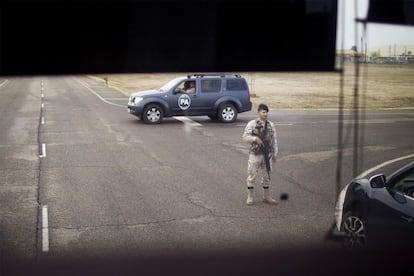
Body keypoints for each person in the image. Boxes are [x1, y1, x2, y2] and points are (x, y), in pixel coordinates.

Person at [242, 103, 278, 205]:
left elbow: (274, 140)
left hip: (267, 155)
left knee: (266, 176)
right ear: (258, 112)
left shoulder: (271, 125)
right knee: (252, 175)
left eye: (266, 112)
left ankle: (266, 196)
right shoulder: (252, 124)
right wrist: (255, 138)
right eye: (263, 112)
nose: (265, 114)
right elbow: (245, 137)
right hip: (255, 154)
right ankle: (250, 197)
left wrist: (275, 153)